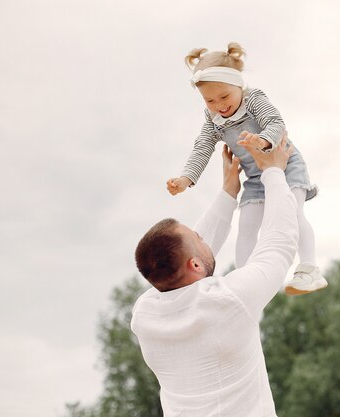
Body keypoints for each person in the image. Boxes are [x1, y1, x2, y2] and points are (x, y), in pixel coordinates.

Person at [131, 136, 298, 417]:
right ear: (194, 265)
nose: (203, 237)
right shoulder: (228, 300)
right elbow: (278, 243)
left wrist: (228, 193)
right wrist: (273, 172)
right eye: (198, 236)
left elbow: (185, 259)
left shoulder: (145, 317)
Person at [166, 42, 327, 295]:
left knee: (292, 213)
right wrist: (186, 179)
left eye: (224, 96)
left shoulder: (254, 100)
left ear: (238, 85)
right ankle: (245, 278)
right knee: (248, 225)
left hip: (286, 165)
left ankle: (309, 268)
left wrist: (262, 141)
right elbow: (202, 147)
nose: (219, 105)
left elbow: (276, 122)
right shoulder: (214, 119)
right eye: (209, 100)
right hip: (255, 178)